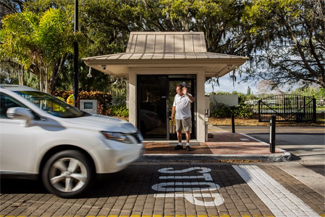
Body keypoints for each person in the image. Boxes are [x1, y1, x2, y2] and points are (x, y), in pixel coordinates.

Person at [171, 83, 195, 151]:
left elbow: (193, 100)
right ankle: (180, 144)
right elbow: (174, 106)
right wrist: (172, 114)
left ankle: (187, 145)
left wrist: (186, 94)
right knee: (178, 131)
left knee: (187, 131)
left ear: (182, 90)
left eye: (178, 90)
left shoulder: (188, 95)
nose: (177, 91)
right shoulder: (176, 96)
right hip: (178, 117)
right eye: (176, 90)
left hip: (186, 117)